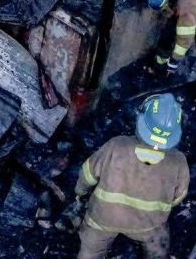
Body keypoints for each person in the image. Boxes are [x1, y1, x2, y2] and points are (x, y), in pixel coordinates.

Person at [62, 93, 189, 259]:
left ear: (141, 122)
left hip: (104, 217)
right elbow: (177, 198)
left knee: (91, 248)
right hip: (145, 225)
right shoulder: (178, 161)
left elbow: (87, 175)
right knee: (158, 241)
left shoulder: (116, 145)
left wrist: (80, 193)